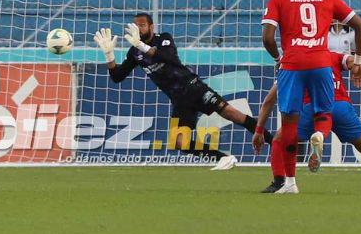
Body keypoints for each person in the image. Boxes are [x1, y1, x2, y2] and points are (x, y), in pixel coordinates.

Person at [94, 13, 270, 170]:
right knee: (179, 142)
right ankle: (224, 158)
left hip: (194, 87)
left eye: (142, 25)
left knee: (233, 114)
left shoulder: (163, 38)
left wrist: (141, 45)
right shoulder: (134, 53)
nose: (138, 28)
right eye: (135, 25)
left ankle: (275, 143)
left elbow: (167, 57)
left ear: (151, 27)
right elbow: (117, 76)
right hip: (179, 99)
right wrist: (109, 55)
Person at [261, 0, 361, 194]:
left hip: (292, 64)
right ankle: (319, 134)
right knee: (323, 111)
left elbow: (267, 37)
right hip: (321, 63)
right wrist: (359, 60)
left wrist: (278, 57)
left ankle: (290, 183)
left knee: (289, 125)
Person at [252, 50, 361, 194]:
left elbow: (269, 101)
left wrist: (259, 131)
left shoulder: (293, 64)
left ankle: (280, 182)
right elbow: (360, 59)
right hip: (340, 107)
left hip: (311, 108)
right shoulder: (332, 56)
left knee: (280, 139)